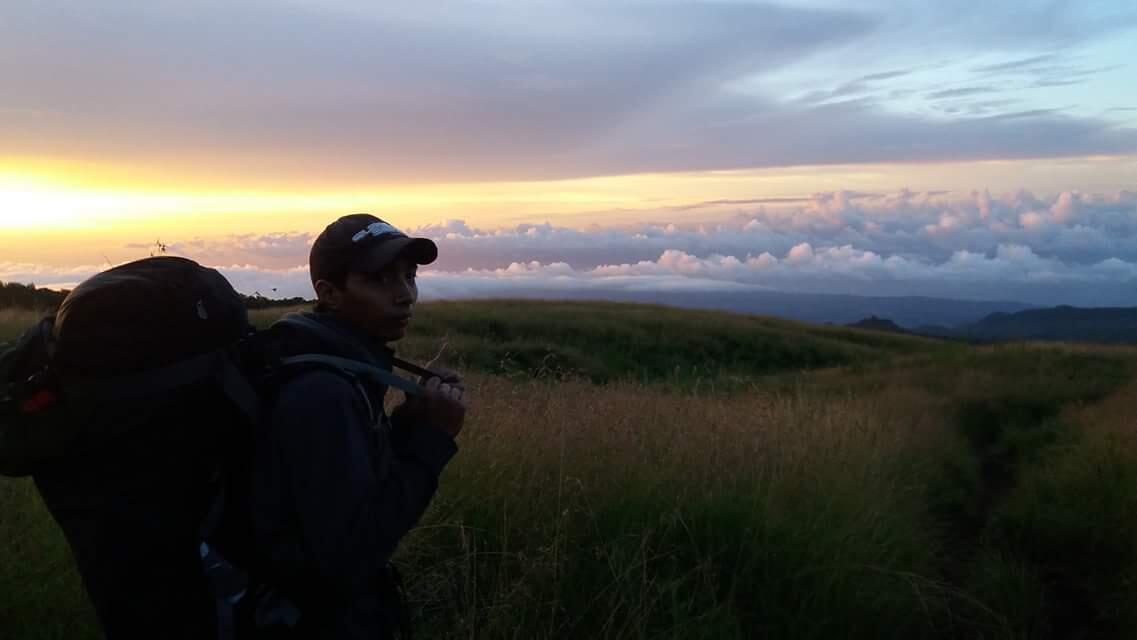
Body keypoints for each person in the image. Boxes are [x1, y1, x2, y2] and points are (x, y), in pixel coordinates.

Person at [247, 214, 466, 639]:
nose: (405, 295)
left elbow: (356, 483)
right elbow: (351, 554)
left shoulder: (335, 364)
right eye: (380, 280)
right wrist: (433, 439)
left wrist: (410, 420)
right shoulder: (321, 392)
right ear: (328, 293)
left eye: (409, 276)